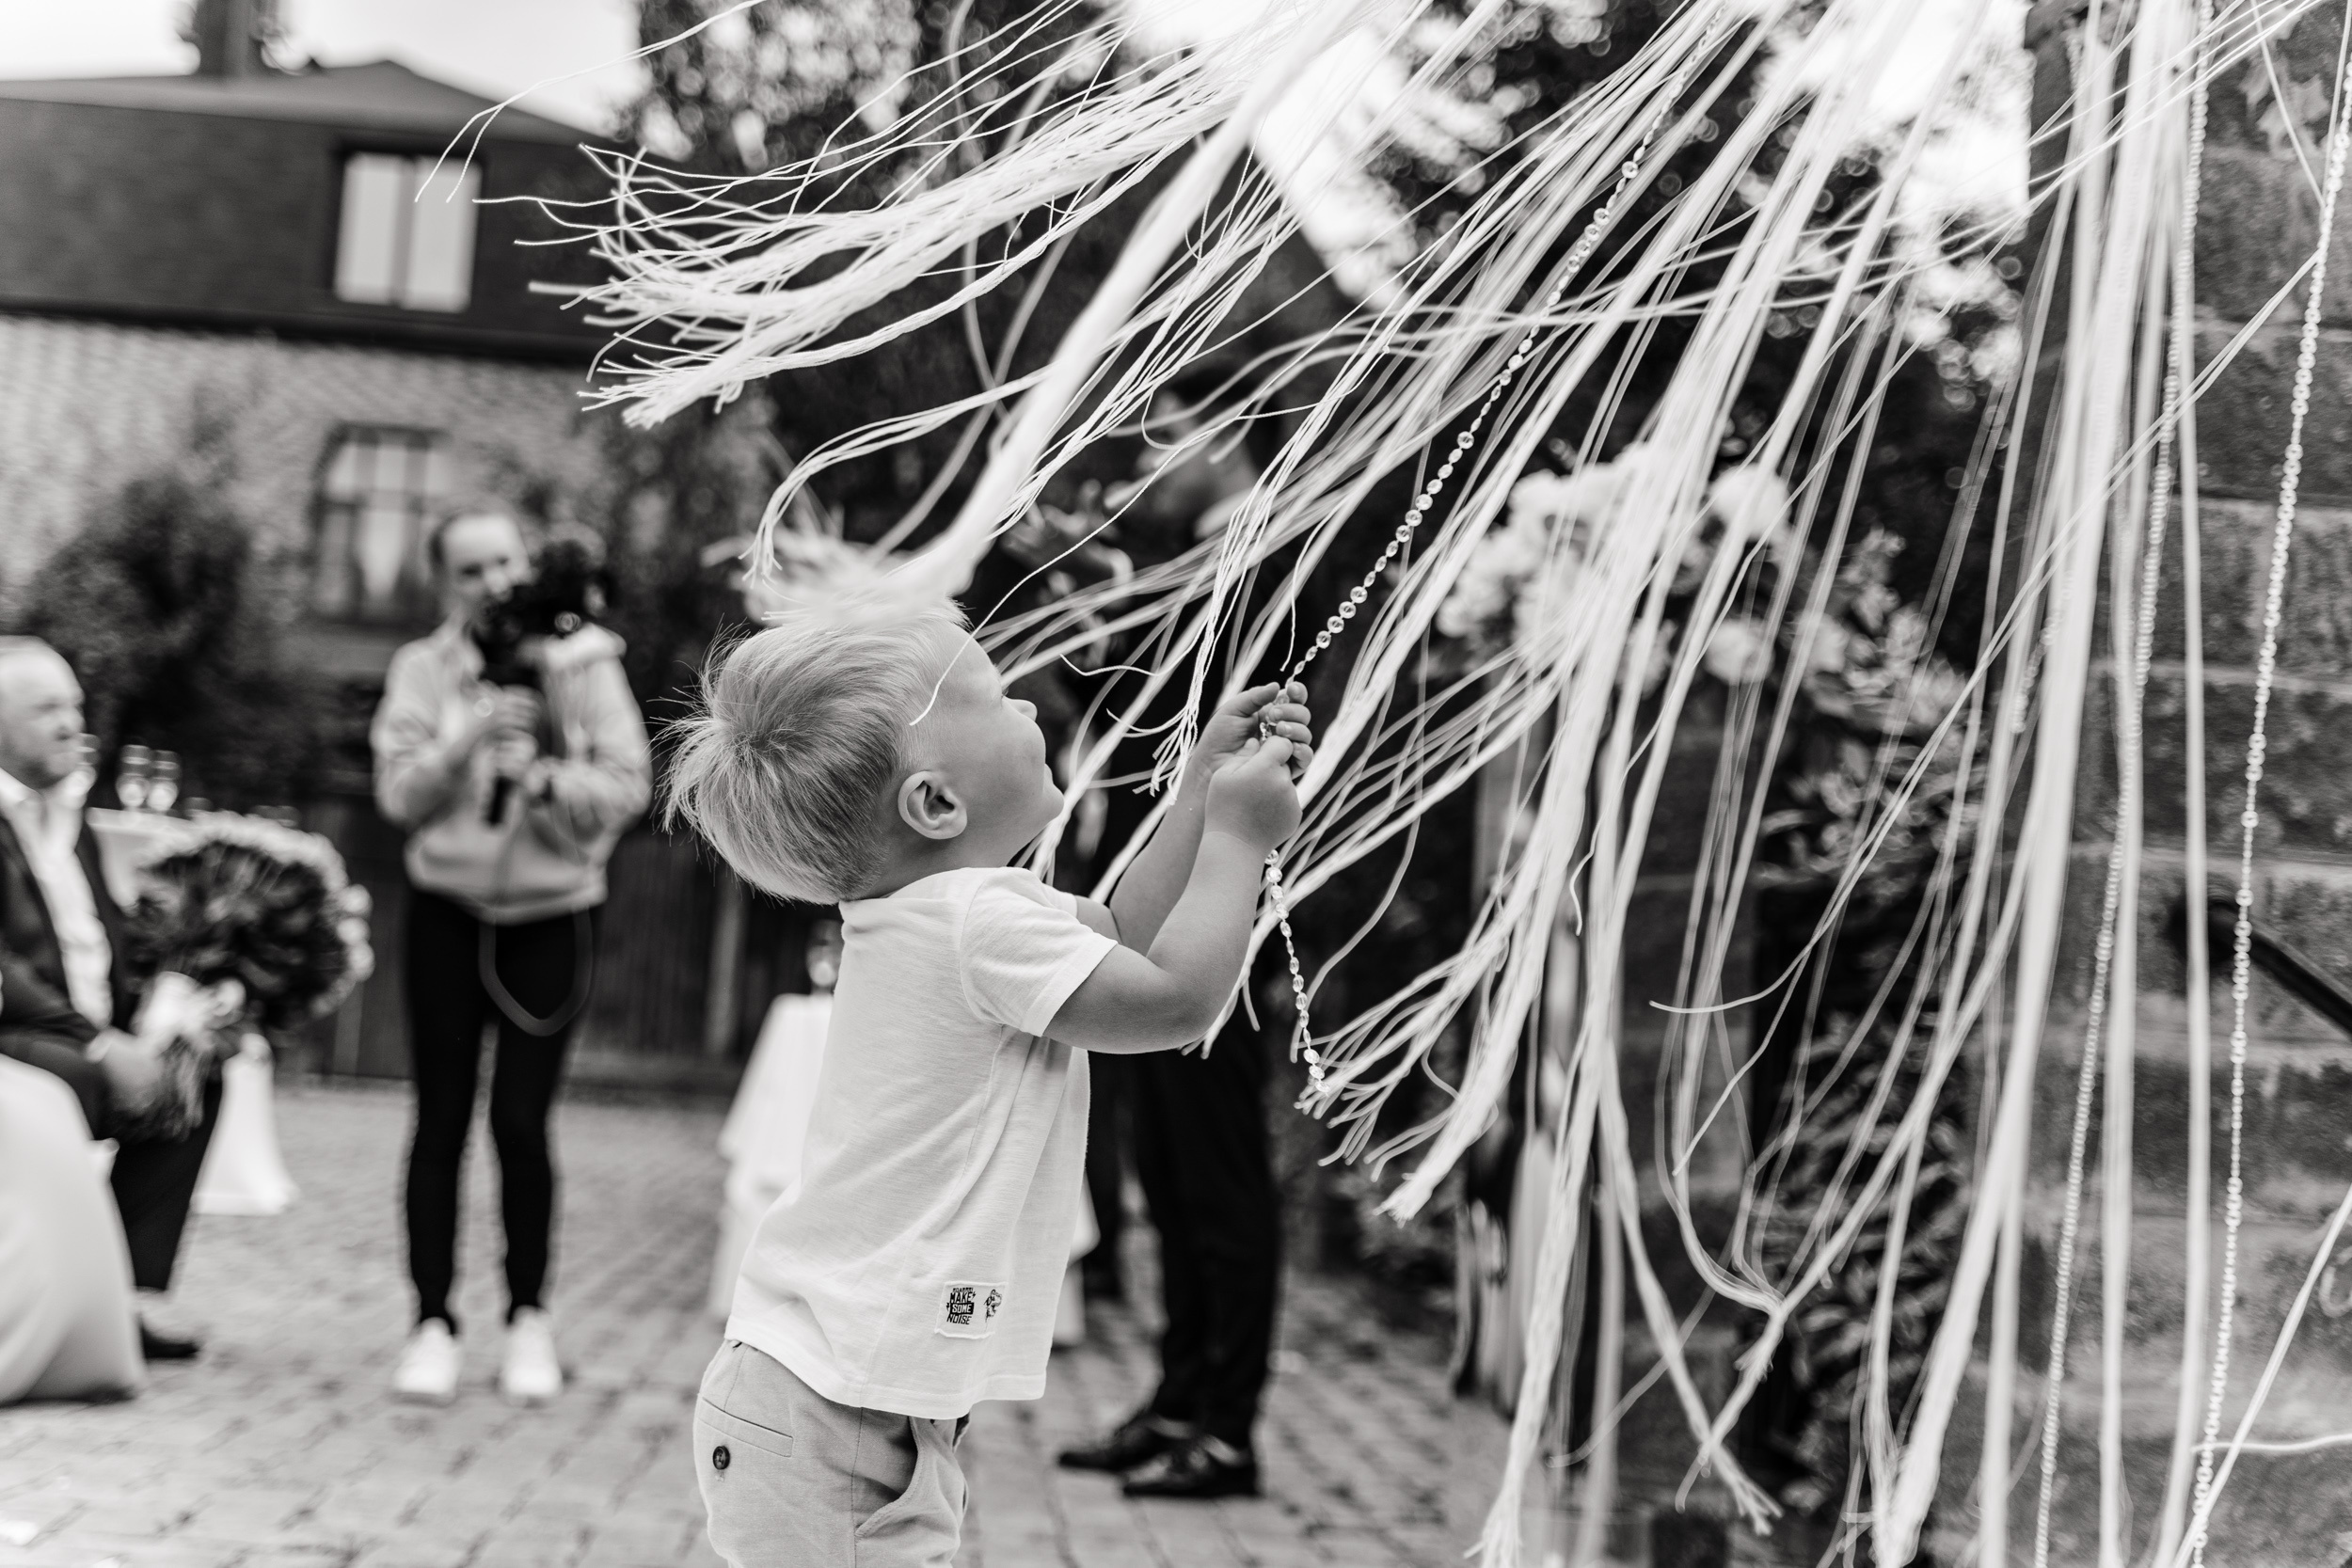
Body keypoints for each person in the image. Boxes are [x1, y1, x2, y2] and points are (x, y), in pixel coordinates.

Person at [662, 598, 1311, 1566]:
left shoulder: (955, 913)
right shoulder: (973, 923)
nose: (1032, 709)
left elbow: (1123, 939)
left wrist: (1200, 791)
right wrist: (1237, 838)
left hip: (828, 1398)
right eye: (997, 695)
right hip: (827, 1408)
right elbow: (1172, 996)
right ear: (934, 804)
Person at [370, 506, 651, 1406]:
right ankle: (431, 1323)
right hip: (446, 911)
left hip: (552, 916)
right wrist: (467, 740)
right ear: (443, 582)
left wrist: (540, 774)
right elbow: (399, 794)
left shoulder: (588, 662)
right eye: (469, 569)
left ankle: (529, 1316)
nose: (490, 582)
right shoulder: (422, 667)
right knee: (440, 1119)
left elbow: (628, 784)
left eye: (503, 564)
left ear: (526, 567)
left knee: (522, 1124)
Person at [0, 636, 214, 1362]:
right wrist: (96, 1043)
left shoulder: (70, 818)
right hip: (16, 1036)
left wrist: (173, 1006)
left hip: (76, 1030)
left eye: (74, 705)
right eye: (46, 708)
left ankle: (130, 1290)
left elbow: (102, 942)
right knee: (79, 1078)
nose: (71, 722)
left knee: (192, 1074)